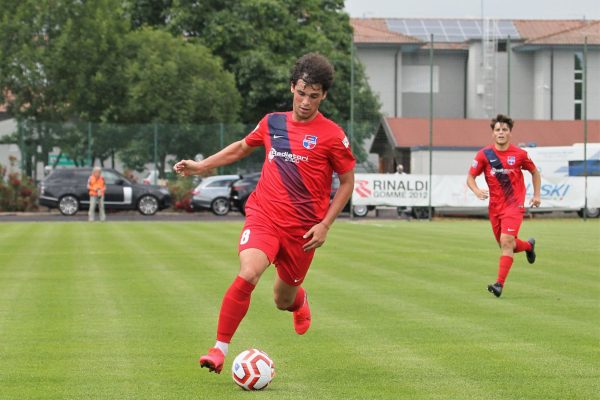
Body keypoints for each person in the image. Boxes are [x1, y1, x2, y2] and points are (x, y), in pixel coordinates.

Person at [173, 53, 355, 373]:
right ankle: (218, 350)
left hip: (303, 231)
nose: (305, 102)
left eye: (314, 96)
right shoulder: (272, 122)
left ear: (324, 95)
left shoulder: (332, 135)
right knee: (249, 272)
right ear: (291, 88)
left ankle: (299, 302)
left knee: (282, 299)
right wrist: (201, 166)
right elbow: (242, 147)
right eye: (301, 93)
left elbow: (347, 181)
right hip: (264, 216)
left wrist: (326, 224)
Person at [467, 114, 541, 297]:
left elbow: (535, 172)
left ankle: (499, 284)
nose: (501, 132)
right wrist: (476, 190)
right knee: (507, 245)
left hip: (514, 205)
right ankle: (529, 246)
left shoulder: (520, 154)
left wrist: (537, 195)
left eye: (504, 130)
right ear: (493, 133)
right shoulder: (484, 154)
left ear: (510, 133)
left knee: (506, 241)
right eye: (498, 130)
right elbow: (470, 177)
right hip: (495, 207)